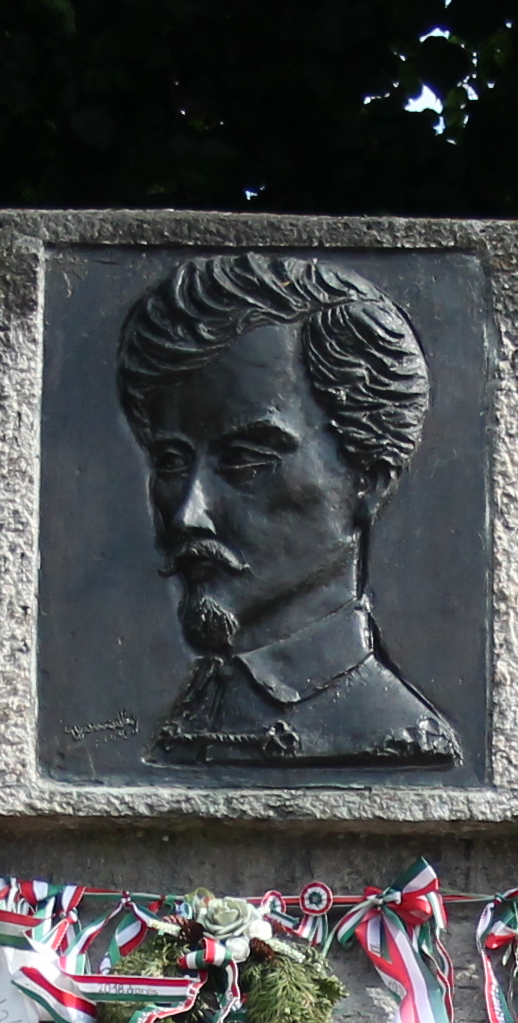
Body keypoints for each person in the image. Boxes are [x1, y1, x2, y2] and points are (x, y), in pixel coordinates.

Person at [112, 253, 460, 768]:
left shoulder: (394, 734)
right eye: (170, 461)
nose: (188, 514)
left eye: (245, 460)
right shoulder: (199, 708)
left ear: (368, 476)